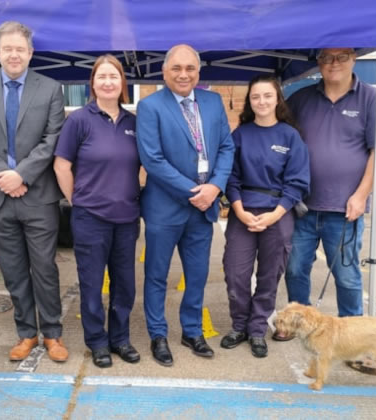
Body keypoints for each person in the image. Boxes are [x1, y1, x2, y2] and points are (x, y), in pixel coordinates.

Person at [0, 21, 68, 363]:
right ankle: (26, 333)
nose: (14, 54)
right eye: (7, 48)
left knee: (44, 267)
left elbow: (52, 139)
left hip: (38, 194)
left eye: (20, 49)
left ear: (30, 53)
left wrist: (21, 175)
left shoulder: (50, 88)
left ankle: (52, 333)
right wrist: (3, 175)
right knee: (13, 269)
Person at [281, 48, 376, 339]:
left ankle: (354, 333)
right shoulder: (300, 99)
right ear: (318, 62)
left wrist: (361, 195)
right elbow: (282, 141)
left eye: (341, 56)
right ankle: (298, 324)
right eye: (326, 57)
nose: (334, 63)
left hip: (345, 209)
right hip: (302, 207)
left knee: (347, 277)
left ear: (354, 59)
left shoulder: (371, 99)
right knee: (295, 270)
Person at [136, 44, 235, 367]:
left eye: (190, 68)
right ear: (164, 72)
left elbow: (225, 147)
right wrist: (197, 191)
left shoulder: (213, 101)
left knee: (197, 274)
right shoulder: (150, 106)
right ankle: (158, 334)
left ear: (198, 72)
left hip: (203, 207)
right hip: (165, 207)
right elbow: (152, 159)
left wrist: (216, 186)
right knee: (156, 275)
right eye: (176, 68)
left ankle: (191, 331)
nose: (183, 74)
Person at [53, 55, 140, 368]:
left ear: (122, 83)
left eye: (113, 76)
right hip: (90, 218)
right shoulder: (79, 120)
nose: (108, 82)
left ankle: (120, 339)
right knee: (91, 284)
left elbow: (143, 164)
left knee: (125, 284)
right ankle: (97, 342)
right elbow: (61, 165)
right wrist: (76, 199)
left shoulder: (134, 122)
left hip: (127, 218)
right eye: (101, 76)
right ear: (93, 83)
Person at [220, 75, 310, 358]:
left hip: (278, 213)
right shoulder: (240, 135)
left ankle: (258, 329)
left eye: (267, 96)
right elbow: (230, 177)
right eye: (256, 96)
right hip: (242, 211)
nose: (261, 101)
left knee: (269, 276)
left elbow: (297, 182)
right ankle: (239, 326)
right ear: (249, 101)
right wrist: (239, 211)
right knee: (236, 273)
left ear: (277, 99)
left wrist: (275, 215)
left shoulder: (290, 136)